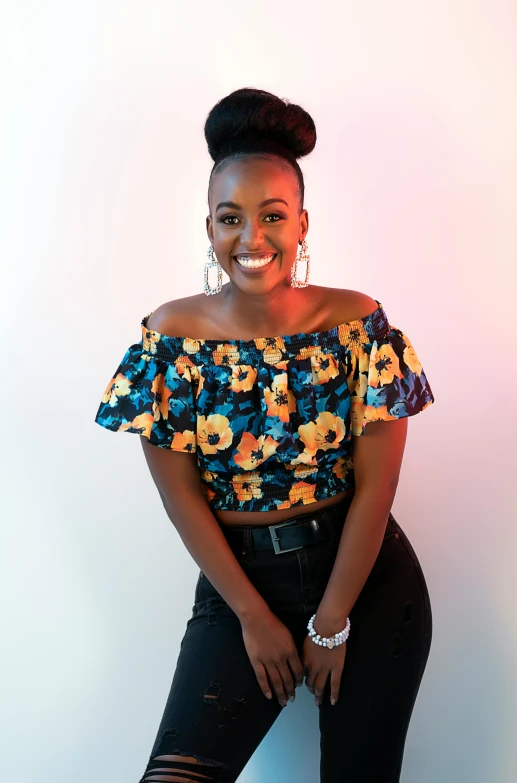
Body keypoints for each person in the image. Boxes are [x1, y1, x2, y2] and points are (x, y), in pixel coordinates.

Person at [94, 87, 436, 783]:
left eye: (272, 216)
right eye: (230, 218)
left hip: (365, 579)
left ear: (302, 224)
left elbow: (379, 485)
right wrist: (252, 613)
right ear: (210, 228)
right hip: (238, 584)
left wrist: (333, 617)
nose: (252, 239)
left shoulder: (359, 325)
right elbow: (181, 498)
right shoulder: (169, 340)